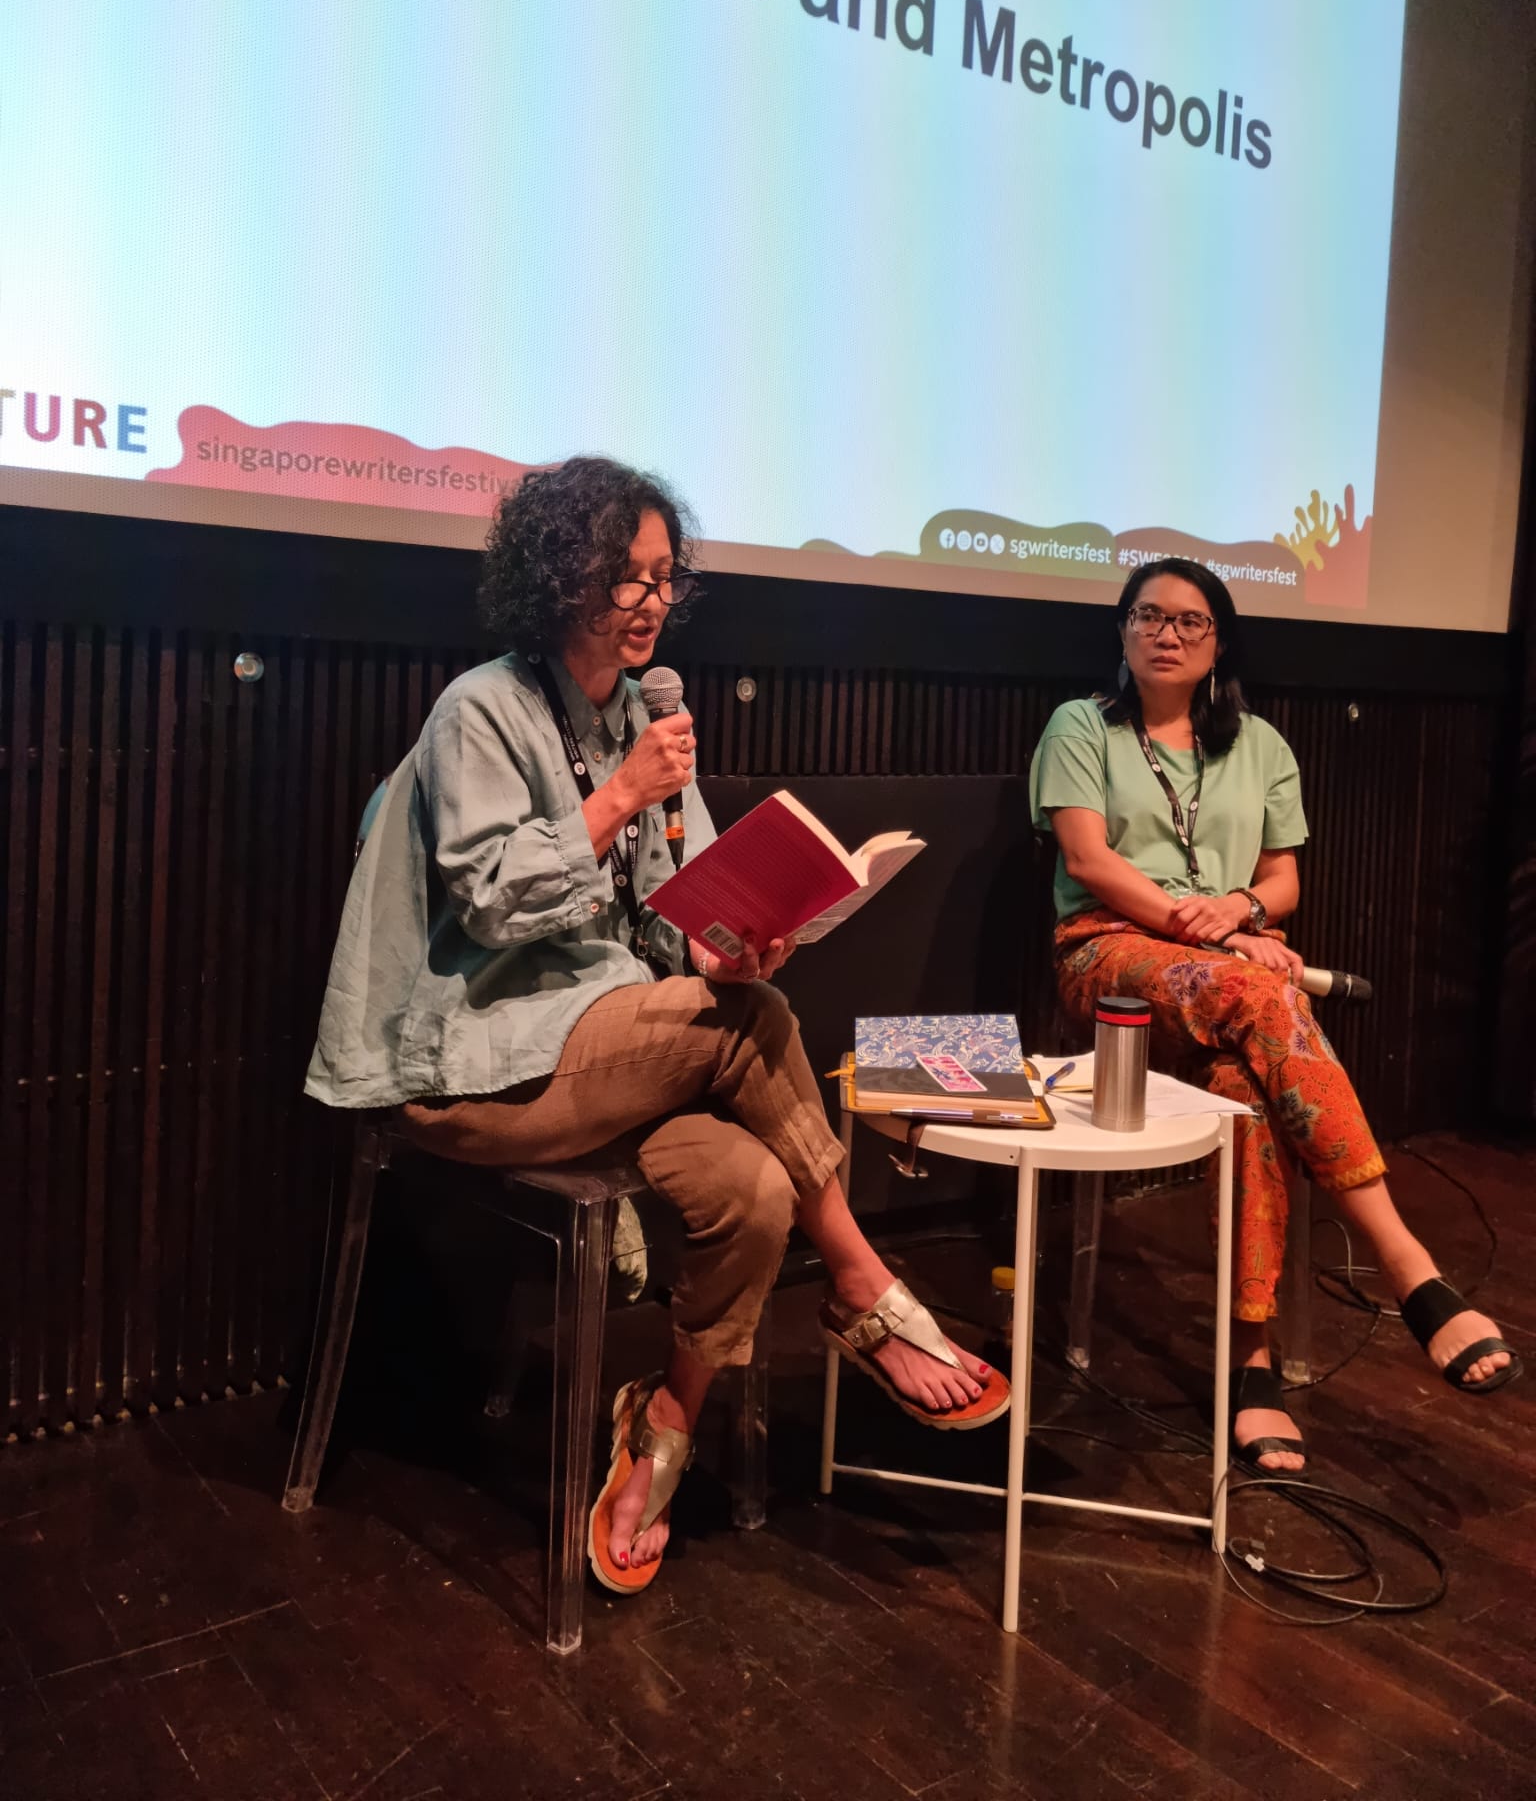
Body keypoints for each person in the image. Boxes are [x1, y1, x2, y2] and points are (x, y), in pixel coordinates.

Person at [306, 456, 1009, 1593]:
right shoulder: (478, 709)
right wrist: (623, 793)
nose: (646, 601)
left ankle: (660, 1425)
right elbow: (487, 899)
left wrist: (739, 938)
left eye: (662, 578)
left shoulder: (647, 718)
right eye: (622, 576)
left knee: (756, 1188)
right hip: (469, 1060)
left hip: (602, 1047)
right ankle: (866, 1287)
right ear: (554, 577)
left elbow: (683, 918)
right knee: (753, 1026)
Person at [1029, 557, 1520, 1472]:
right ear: (1122, 632)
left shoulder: (1259, 744)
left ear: (1219, 643)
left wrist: (1245, 917)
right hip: (1106, 957)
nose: (1165, 633)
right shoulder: (1080, 727)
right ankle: (1407, 1265)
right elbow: (1090, 862)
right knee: (1265, 990)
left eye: (1188, 621)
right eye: (1147, 616)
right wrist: (1206, 930)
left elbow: (1282, 882)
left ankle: (1249, 1363)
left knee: (1247, 1085)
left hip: (1224, 968)